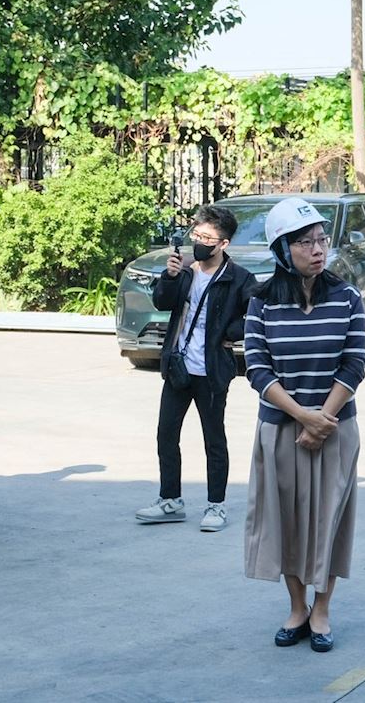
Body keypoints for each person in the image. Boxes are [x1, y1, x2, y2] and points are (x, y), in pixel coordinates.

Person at [242, 199, 365, 654]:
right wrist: (302, 415)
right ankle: (297, 607)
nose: (317, 250)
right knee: (287, 523)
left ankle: (322, 609)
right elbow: (257, 369)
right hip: (282, 430)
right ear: (282, 250)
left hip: (334, 430)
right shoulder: (261, 302)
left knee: (329, 520)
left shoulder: (347, 298)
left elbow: (355, 362)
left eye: (321, 240)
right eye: (305, 242)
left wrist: (322, 420)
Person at [135, 204, 256, 532]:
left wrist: (229, 334)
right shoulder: (186, 271)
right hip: (179, 366)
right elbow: (162, 302)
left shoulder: (239, 278)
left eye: (207, 238)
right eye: (197, 235)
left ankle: (216, 505)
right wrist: (170, 276)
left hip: (212, 370)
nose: (199, 242)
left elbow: (256, 317)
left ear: (224, 244)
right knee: (166, 433)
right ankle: (170, 499)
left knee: (213, 439)